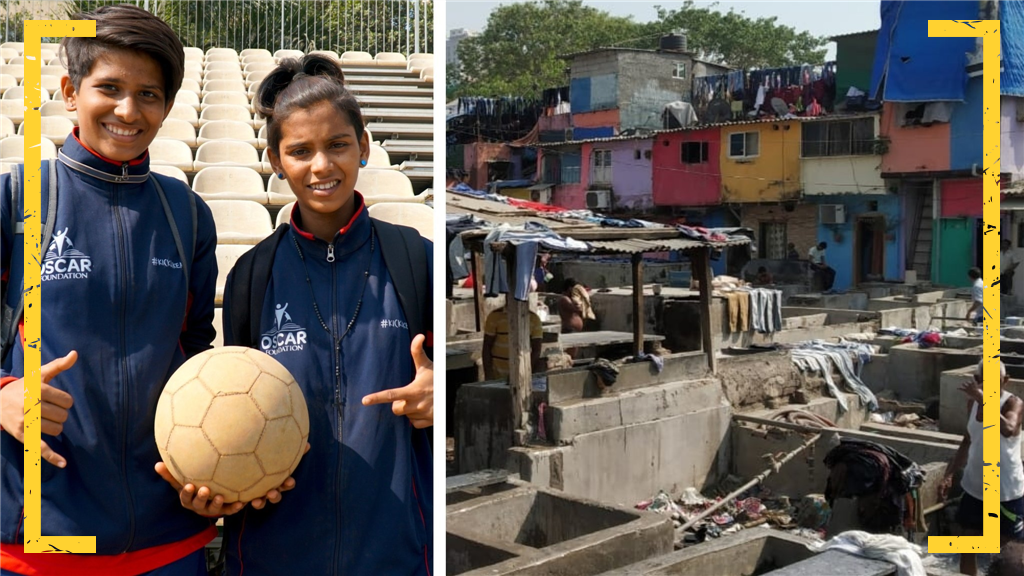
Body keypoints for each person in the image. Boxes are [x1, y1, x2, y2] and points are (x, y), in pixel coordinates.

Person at [0, 5, 269, 574]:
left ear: (167, 106)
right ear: (72, 91)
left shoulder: (187, 215)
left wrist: (211, 465)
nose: (128, 110)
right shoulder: (17, 198)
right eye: (110, 88)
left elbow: (196, 360)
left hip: (168, 539)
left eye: (149, 94)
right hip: (41, 542)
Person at [219, 56, 434, 575]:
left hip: (396, 552)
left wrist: (439, 393)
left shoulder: (415, 260)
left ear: (363, 145)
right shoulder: (251, 277)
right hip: (273, 555)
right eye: (300, 151)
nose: (321, 166)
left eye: (337, 145)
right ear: (275, 159)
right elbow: (232, 410)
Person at [939, 360, 1024, 575]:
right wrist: (949, 474)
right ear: (977, 380)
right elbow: (968, 440)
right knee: (968, 545)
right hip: (975, 487)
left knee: (1010, 554)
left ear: (1005, 380)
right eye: (984, 380)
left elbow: (1008, 429)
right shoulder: (973, 404)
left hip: (1005, 492)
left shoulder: (1012, 403)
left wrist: (983, 399)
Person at [483, 302, 543, 380]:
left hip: (521, 377)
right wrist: (488, 374)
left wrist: (524, 372)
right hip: (497, 376)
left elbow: (536, 350)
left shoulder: (534, 319)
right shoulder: (495, 316)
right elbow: (487, 346)